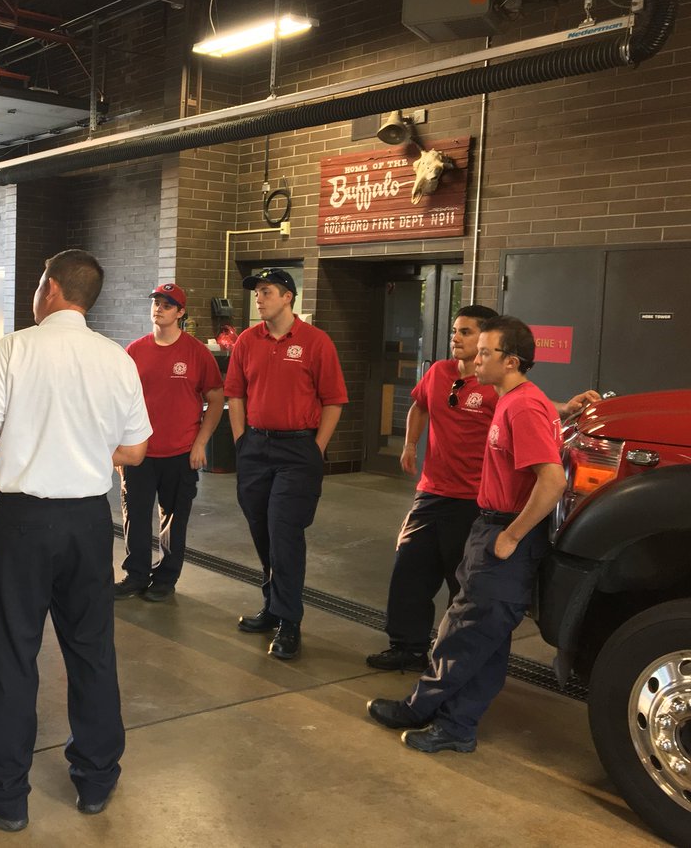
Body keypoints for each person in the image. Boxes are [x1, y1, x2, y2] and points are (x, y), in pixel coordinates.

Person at [0, 249, 151, 832]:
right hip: (90, 523)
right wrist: (82, 447)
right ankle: (95, 779)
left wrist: (33, 435)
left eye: (39, 282)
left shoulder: (15, 348)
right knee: (91, 650)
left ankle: (5, 797)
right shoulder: (116, 358)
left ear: (54, 289)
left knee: (15, 656)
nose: (36, 292)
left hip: (24, 523)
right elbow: (135, 450)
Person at [367, 315, 567, 753]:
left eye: (484, 352)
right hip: (488, 521)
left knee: (463, 630)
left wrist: (511, 536)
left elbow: (552, 481)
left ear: (510, 361)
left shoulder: (523, 406)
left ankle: (422, 709)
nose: (475, 358)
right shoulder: (511, 399)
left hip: (503, 530)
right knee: (486, 638)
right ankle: (457, 725)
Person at [225, 268, 348, 661]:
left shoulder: (315, 342)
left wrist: (317, 449)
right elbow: (236, 394)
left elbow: (333, 400)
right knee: (262, 530)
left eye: (266, 292)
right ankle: (273, 606)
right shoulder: (248, 340)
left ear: (287, 297)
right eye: (257, 293)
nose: (258, 299)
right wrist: (241, 441)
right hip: (256, 449)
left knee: (284, 532)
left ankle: (289, 622)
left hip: (298, 452)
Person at [114, 283, 224, 603]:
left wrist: (201, 442)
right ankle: (135, 575)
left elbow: (215, 399)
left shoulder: (196, 353)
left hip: (180, 453)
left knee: (175, 519)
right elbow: (119, 403)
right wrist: (120, 452)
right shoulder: (134, 351)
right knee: (134, 514)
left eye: (167, 304)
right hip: (140, 453)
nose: (159, 308)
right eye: (156, 302)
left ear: (180, 312)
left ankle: (166, 577)